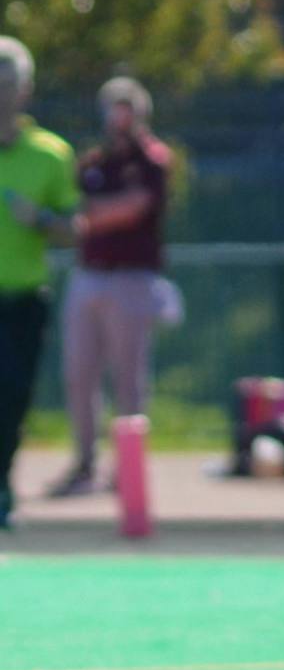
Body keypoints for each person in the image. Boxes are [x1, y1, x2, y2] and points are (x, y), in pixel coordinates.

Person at [47, 76, 174, 498]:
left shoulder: (152, 160)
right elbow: (71, 212)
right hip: (89, 275)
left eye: (127, 108)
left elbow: (131, 208)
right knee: (79, 373)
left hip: (131, 279)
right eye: (113, 107)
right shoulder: (93, 163)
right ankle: (83, 464)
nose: (119, 117)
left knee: (129, 378)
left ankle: (128, 472)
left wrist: (88, 216)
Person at [0, 38, 79, 531]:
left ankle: (2, 483)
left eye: (8, 84)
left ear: (26, 91)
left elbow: (74, 229)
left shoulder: (51, 154)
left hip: (24, 298)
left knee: (12, 395)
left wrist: (40, 219)